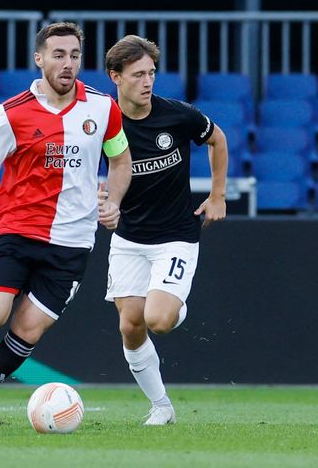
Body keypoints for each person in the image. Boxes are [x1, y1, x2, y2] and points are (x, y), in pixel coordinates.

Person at [0, 22, 132, 433]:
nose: (67, 64)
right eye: (58, 55)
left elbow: (119, 160)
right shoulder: (12, 113)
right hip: (16, 231)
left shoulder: (102, 108)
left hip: (73, 244)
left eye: (75, 55)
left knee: (27, 332)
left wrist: (112, 202)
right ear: (39, 58)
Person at [101, 35, 228, 425]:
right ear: (115, 77)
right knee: (130, 323)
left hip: (175, 235)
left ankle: (174, 303)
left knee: (158, 319)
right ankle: (161, 406)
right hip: (128, 239)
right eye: (138, 74)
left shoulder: (177, 115)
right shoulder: (103, 122)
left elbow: (217, 139)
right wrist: (101, 200)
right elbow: (79, 165)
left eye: (151, 73)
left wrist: (218, 194)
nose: (147, 81)